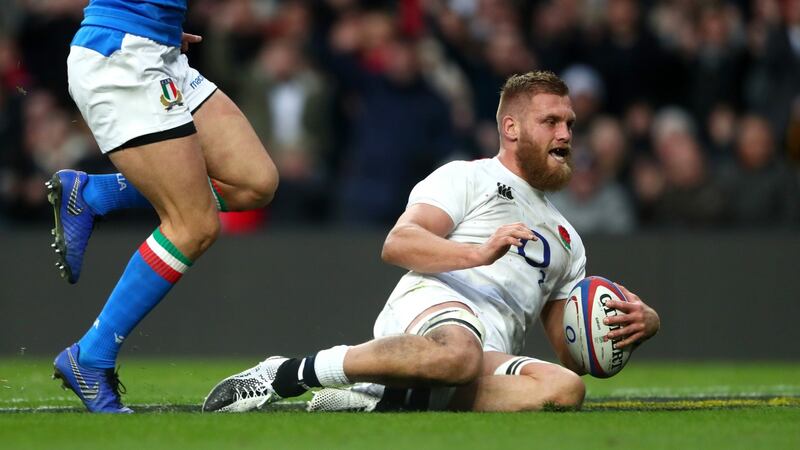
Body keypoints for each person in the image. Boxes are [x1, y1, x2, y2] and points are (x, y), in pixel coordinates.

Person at [202, 71, 660, 413]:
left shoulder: (568, 240)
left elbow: (571, 353)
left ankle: (382, 399)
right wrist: (477, 254)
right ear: (512, 128)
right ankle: (289, 372)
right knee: (460, 355)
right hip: (435, 308)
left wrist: (637, 325)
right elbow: (399, 243)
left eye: (570, 124)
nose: (565, 135)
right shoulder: (468, 177)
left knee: (564, 390)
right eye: (551, 122)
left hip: (485, 354)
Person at [48, 0, 278, 413]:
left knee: (252, 183)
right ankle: (91, 356)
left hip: (159, 49)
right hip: (123, 56)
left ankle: (95, 194)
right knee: (193, 224)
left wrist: (162, 18)